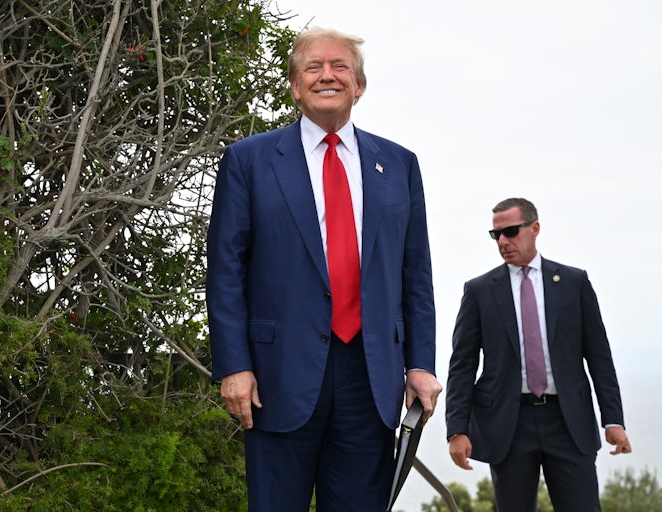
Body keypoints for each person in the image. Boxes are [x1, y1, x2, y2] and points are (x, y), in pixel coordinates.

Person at [206, 27, 442, 512]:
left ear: (359, 85)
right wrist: (234, 366)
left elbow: (415, 273)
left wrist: (420, 363)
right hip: (276, 378)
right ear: (295, 86)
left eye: (340, 67)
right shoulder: (247, 162)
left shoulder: (399, 165)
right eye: (313, 67)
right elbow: (226, 270)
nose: (327, 76)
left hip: (371, 377)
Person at [445, 197, 632, 511]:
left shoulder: (574, 282)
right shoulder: (478, 291)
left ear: (535, 228)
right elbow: (462, 366)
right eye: (496, 235)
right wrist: (457, 429)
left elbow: (599, 355)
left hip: (568, 422)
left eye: (511, 232)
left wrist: (613, 419)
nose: (503, 241)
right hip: (508, 426)